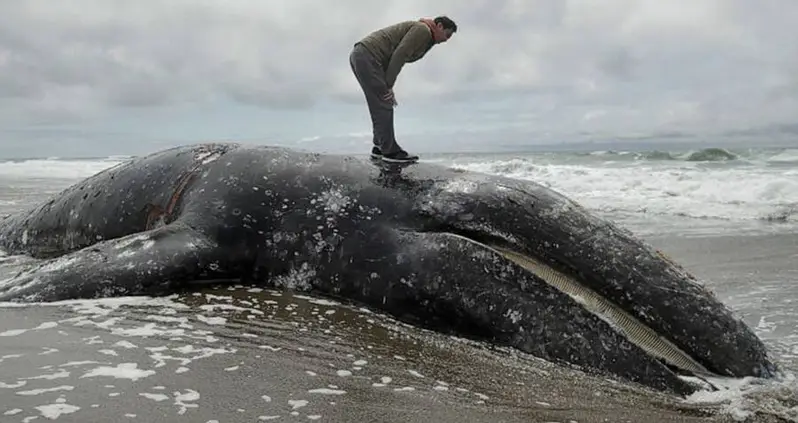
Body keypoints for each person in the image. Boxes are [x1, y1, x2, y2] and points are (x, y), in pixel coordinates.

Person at [349, 16, 458, 163]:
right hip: (368, 56)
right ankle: (390, 152)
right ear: (439, 26)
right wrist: (388, 85)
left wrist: (387, 85)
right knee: (384, 102)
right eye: (447, 34)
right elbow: (400, 54)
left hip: (365, 57)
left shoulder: (427, 36)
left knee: (380, 102)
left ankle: (379, 147)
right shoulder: (423, 30)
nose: (446, 40)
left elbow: (394, 56)